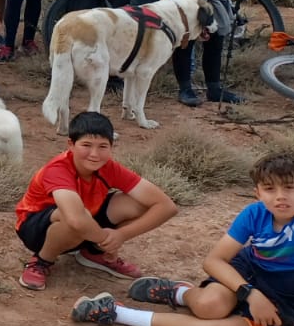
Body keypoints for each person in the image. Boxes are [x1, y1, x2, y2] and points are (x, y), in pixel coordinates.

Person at [72, 153, 294, 326]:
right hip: (248, 275)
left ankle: (122, 311)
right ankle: (177, 294)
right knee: (208, 306)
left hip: (283, 296)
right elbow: (214, 260)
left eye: (289, 188)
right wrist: (250, 294)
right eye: (269, 189)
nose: (280, 196)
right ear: (258, 193)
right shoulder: (254, 213)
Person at [13, 111, 179, 292]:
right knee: (72, 215)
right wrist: (105, 240)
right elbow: (75, 218)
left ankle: (93, 252)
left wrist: (121, 235)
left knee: (137, 203)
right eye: (86, 145)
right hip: (36, 229)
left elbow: (166, 206)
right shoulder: (58, 169)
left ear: (111, 147)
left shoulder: (109, 167)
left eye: (102, 146)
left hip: (87, 223)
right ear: (71, 144)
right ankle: (42, 260)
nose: (94, 154)